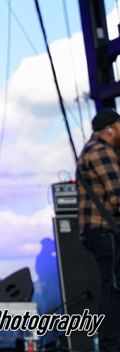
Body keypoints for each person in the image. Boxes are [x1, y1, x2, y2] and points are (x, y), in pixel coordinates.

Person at [77, 108, 120, 352]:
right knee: (112, 289)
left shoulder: (91, 150)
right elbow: (118, 195)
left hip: (98, 230)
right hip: (103, 230)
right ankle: (109, 347)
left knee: (112, 287)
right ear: (110, 129)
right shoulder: (101, 151)